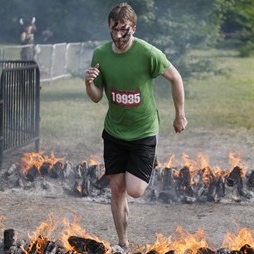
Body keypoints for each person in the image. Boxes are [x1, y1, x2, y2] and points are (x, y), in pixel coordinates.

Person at [84, 2, 188, 253]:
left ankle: (148, 160)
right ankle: (123, 244)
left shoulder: (148, 53)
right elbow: (98, 96)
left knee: (136, 190)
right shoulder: (100, 54)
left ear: (134, 27)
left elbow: (175, 78)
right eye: (114, 30)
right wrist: (89, 84)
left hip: (143, 132)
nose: (119, 36)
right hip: (114, 132)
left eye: (124, 30)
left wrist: (180, 116)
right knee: (117, 190)